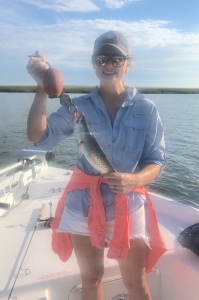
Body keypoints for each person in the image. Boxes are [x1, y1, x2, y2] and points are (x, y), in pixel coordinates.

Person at [26, 31, 166, 300]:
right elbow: (38, 137)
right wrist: (42, 89)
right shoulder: (77, 107)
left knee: (136, 282)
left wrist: (135, 180)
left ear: (128, 63)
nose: (109, 64)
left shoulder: (146, 109)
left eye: (116, 58)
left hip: (128, 200)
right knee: (91, 278)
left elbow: (157, 160)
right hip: (84, 202)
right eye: (102, 58)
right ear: (94, 63)